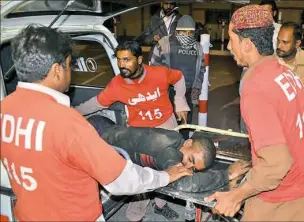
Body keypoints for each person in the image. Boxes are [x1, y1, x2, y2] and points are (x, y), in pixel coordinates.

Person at [0, 25, 192, 221]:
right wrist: (166, 176)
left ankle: (160, 205)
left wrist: (180, 104)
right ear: (57, 70)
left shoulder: (4, 109)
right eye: (69, 65)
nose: (71, 72)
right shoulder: (66, 123)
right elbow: (122, 179)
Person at [205, 5, 304, 221]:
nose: (229, 47)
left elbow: (277, 163)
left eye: (232, 40)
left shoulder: (256, 85)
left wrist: (237, 195)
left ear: (247, 43)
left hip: (283, 197)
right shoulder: (285, 73)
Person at [87, 115, 251, 192]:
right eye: (190, 159)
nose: (187, 165)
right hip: (96, 133)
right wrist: (226, 174)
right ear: (188, 143)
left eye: (194, 168)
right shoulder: (170, 150)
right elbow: (186, 184)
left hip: (108, 129)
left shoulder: (177, 142)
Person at [75, 40, 189, 130]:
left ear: (139, 60)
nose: (121, 65)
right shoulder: (117, 84)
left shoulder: (159, 73)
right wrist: (71, 112)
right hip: (138, 131)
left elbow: (179, 77)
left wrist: (180, 103)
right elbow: (95, 103)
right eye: (119, 60)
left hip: (166, 124)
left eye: (126, 60)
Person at [150, 15, 205, 126]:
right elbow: (153, 68)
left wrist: (197, 88)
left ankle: (184, 141)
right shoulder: (164, 44)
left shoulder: (198, 47)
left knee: (185, 124)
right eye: (184, 32)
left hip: (188, 91)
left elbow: (201, 69)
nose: (187, 35)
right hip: (168, 91)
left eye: (190, 33)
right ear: (177, 30)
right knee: (168, 123)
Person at [238, 0, 281, 134]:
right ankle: (245, 134)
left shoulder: (280, 30)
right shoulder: (252, 28)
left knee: (267, 108)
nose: (264, 14)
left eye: (267, 10)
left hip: (271, 74)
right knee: (246, 102)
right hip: (250, 71)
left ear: (274, 12)